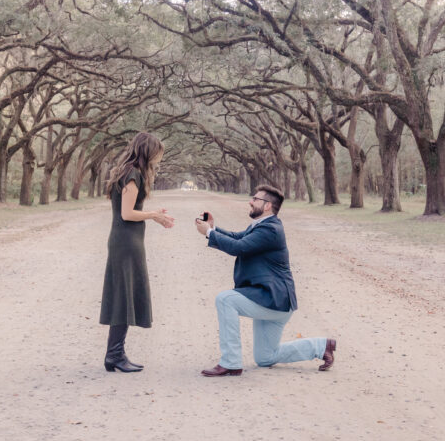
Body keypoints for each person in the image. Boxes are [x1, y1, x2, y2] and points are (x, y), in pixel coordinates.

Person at [194, 184, 336, 376]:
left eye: (255, 199)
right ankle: (321, 346)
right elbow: (238, 238)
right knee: (265, 357)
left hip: (273, 299)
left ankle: (230, 362)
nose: (250, 202)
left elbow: (238, 247)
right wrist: (213, 228)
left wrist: (210, 234)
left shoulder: (271, 229)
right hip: (272, 301)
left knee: (225, 299)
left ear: (267, 205)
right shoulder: (262, 225)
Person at [100, 132, 174, 373]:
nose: (158, 160)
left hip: (128, 239)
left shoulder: (127, 171)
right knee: (124, 295)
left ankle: (116, 354)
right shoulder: (132, 174)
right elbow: (127, 213)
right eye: (156, 155)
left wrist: (154, 215)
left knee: (125, 294)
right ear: (147, 152)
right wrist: (153, 215)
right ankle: (114, 355)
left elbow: (131, 210)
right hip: (126, 242)